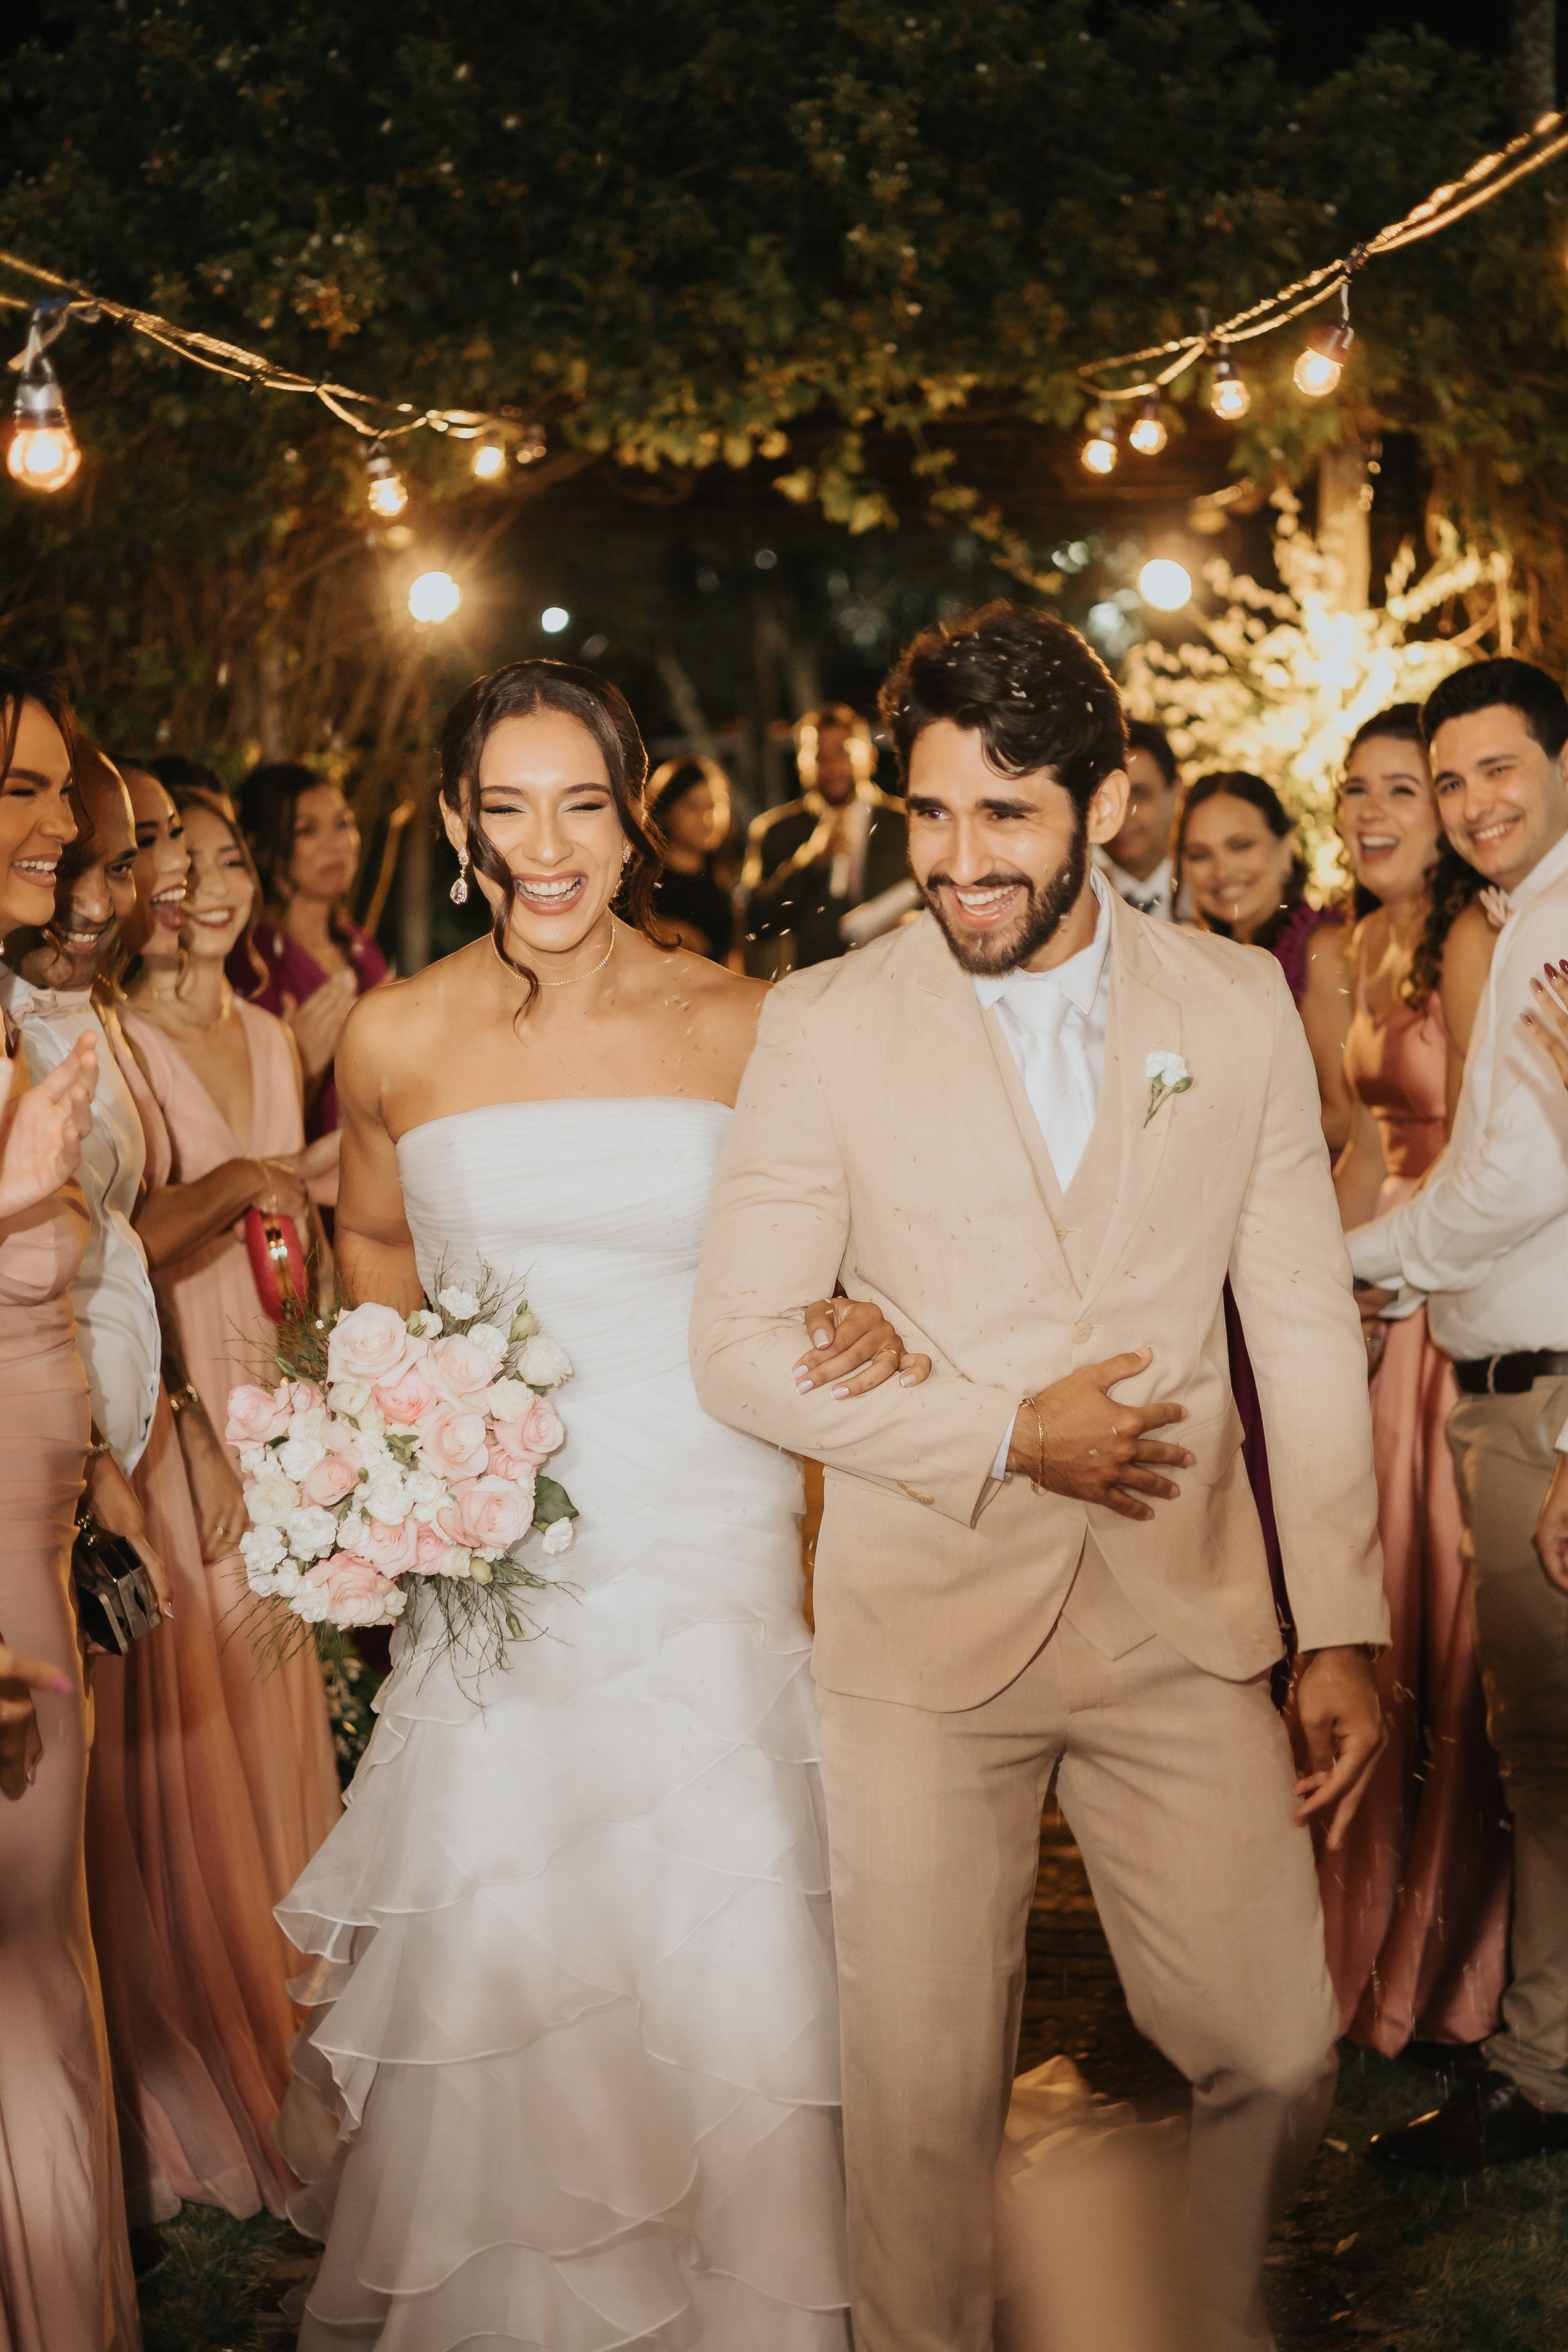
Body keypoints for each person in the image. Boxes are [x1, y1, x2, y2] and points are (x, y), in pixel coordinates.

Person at [690, 601, 1389, 2352]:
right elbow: (740, 1343)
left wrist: (1343, 1628)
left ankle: (1148, 2304)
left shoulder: (1235, 1007)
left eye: (1005, 815)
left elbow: (1301, 1330)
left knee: (1279, 2052)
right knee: (918, 2109)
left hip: (1185, 1615)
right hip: (923, 1625)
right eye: (930, 816)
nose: (960, 860)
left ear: (1110, 803)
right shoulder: (825, 1024)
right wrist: (1005, 1432)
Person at [273, 657, 927, 2348]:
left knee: (728, 1913)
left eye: (582, 803)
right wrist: (403, 1432)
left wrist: (856, 1311)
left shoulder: (744, 1023)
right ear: (458, 823)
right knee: (512, 1920)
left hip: (713, 1531)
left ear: (634, 817)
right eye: (508, 808)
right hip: (501, 1559)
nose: (546, 848)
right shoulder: (395, 1034)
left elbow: (847, 1257)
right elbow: (372, 1250)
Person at [3, 743, 300, 2225]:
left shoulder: (95, 1023)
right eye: (83, 850)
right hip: (56, 1452)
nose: (93, 885)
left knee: (100, 1842)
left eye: (115, 861)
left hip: (112, 1440)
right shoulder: (29, 1030)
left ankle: (105, 2152)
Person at [1348, 657, 1568, 2173]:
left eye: (1500, 768)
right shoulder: (1510, 921)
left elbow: (1522, 1181)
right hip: (1506, 1385)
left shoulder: (1554, 924)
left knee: (1546, 1749)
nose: (1475, 802)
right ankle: (1540, 2057)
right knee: (1537, 1748)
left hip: (1544, 1390)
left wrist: (1342, 1260)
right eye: (1452, 778)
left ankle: (1540, 2066)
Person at [1324, 704, 1509, 2056]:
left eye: (1406, 788)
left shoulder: (1471, 940)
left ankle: (1453, 1966)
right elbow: (1354, 1143)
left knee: (1456, 1647)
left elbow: (1494, 1160)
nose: (1374, 814)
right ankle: (1366, 1944)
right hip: (1375, 1307)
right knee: (1374, 1626)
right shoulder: (1350, 944)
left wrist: (1387, 1271)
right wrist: (1317, 1289)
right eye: (1354, 793)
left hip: (1455, 1300)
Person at [121, 786, 341, 1913]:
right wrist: (241, 1184)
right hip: (183, 1370)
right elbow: (124, 1247)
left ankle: (294, 1927)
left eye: (227, 865)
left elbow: (294, 1215)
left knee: (280, 1643)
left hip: (272, 1361)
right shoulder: (126, 1042)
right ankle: (226, 1928)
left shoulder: (266, 1035)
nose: (210, 888)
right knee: (207, 1657)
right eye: (184, 865)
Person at [0, 664, 140, 2352]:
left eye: (57, 791)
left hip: (36, 1521)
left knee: (38, 1960)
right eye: (19, 789)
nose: (56, 823)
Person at [1177, 766, 1354, 1152]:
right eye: (1200, 854)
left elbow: (1346, 1117)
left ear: (1286, 846)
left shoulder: (1321, 950)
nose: (1222, 871)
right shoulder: (1206, 963)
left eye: (1241, 845)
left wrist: (1219, 1150)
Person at [232, 760, 388, 1177]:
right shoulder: (256, 961)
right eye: (307, 830)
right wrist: (299, 1065)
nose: (336, 843)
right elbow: (244, 1121)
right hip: (310, 1182)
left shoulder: (358, 946)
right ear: (262, 848)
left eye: (343, 824)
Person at [741, 702, 909, 974]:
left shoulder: (907, 824)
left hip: (894, 979)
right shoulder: (775, 831)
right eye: (819, 756)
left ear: (870, 756)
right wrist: (810, 862)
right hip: (810, 986)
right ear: (801, 764)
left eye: (842, 753)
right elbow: (755, 922)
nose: (832, 766)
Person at [648, 753, 736, 959]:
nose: (706, 818)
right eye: (691, 807)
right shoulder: (645, 882)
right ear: (666, 811)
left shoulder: (721, 878)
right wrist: (655, 931)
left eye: (713, 807)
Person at [1098, 717, 1178, 918]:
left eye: (1138, 794)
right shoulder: (1076, 906)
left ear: (1177, 792)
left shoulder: (1216, 897)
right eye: (1102, 799)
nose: (1121, 815)